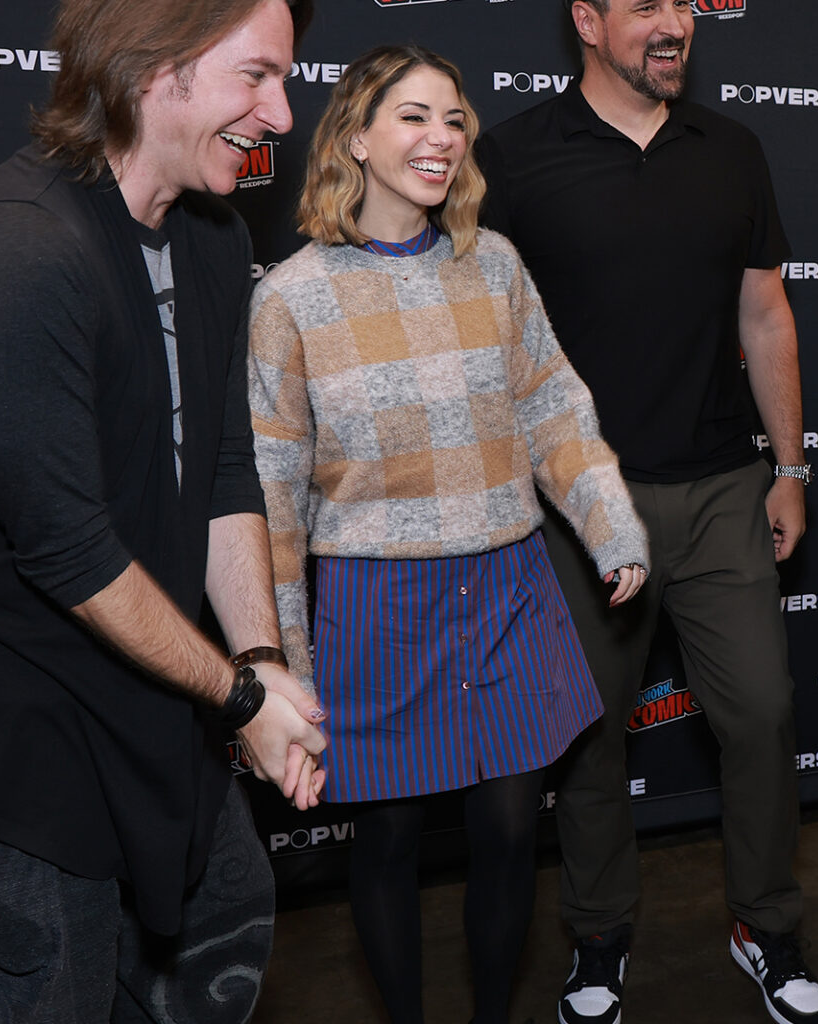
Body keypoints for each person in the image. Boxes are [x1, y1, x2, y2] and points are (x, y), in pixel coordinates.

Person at [0, 0, 329, 1020]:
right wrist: (241, 699)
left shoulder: (214, 240)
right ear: (156, 67)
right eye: (256, 76)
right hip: (1, 760)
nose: (282, 114)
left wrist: (262, 659)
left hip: (147, 704)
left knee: (229, 918)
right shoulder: (11, 251)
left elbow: (225, 468)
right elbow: (70, 555)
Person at [247, 44, 649, 1024]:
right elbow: (275, 491)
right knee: (387, 837)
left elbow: (553, 407)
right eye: (414, 117)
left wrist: (613, 528)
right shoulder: (292, 295)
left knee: (510, 830)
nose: (442, 138)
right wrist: (283, 658)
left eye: (455, 119)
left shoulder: (492, 263)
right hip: (376, 601)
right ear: (355, 137)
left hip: (508, 583)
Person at [474, 3, 818, 1023]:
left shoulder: (733, 148)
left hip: (722, 488)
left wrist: (791, 468)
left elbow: (765, 312)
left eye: (683, 4)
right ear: (587, 20)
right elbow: (485, 339)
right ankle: (599, 936)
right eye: (645, 6)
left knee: (761, 711)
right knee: (588, 733)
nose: (673, 22)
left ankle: (765, 922)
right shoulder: (513, 156)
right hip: (581, 502)